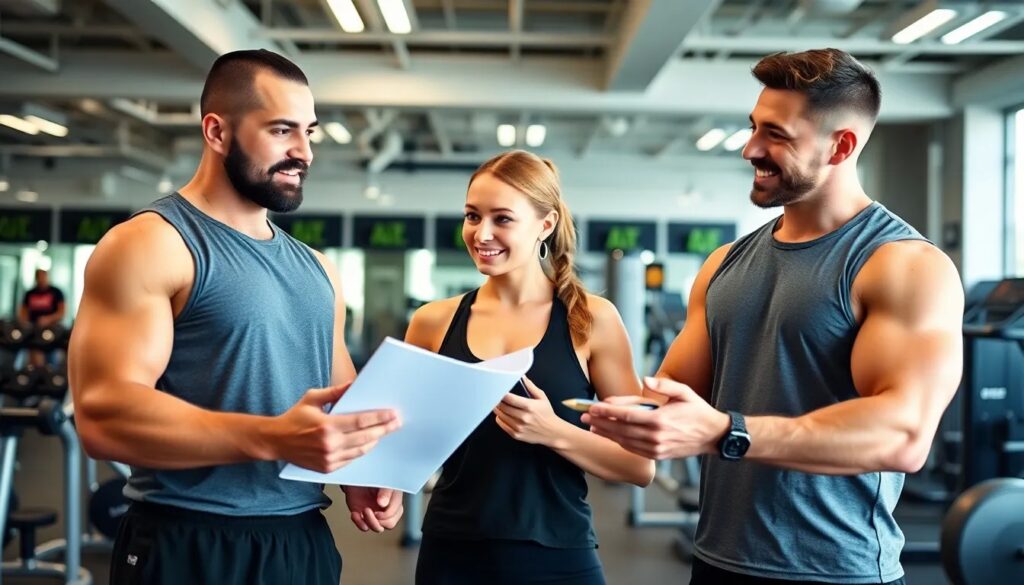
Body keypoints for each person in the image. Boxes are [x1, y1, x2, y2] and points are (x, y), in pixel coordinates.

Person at [585, 49, 964, 585]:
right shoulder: (724, 263)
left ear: (842, 145)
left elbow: (902, 436)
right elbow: (667, 398)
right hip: (717, 561)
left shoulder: (904, 266)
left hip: (835, 572)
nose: (750, 149)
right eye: (753, 128)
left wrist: (727, 432)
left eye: (777, 135)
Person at [68, 49, 403, 585]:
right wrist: (273, 438)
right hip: (188, 541)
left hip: (300, 542)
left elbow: (342, 403)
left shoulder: (316, 268)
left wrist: (362, 471)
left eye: (309, 132)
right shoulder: (151, 244)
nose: (304, 152)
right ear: (217, 132)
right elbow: (103, 416)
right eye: (281, 131)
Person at [405, 150, 655, 585]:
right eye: (472, 216)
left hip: (558, 554)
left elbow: (638, 465)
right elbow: (404, 440)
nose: (481, 233)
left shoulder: (592, 320)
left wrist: (553, 431)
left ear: (546, 224)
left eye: (502, 219)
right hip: (450, 552)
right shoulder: (433, 321)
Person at [20, 268, 66, 366]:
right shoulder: (30, 293)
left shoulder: (56, 292)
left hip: (52, 332)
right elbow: (23, 312)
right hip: (34, 331)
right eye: (39, 277)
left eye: (44, 277)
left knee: (52, 362)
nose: (42, 279)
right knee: (35, 361)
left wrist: (49, 319)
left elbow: (62, 312)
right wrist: (25, 323)